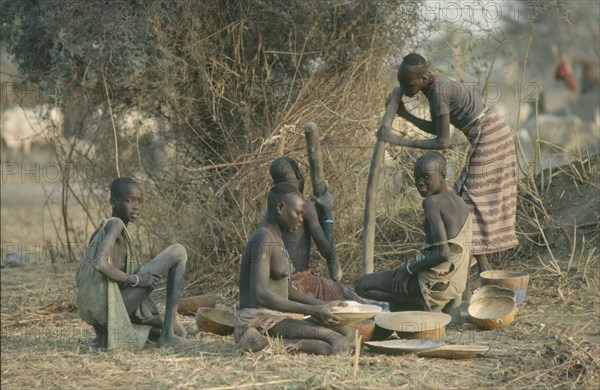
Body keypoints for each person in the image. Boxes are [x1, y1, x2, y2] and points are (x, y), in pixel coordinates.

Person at [378, 53, 518, 277]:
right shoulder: (433, 88)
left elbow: (443, 142)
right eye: (401, 83)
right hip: (484, 133)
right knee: (462, 196)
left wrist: (398, 140)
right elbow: (437, 128)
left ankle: (482, 268)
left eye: (408, 84)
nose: (403, 88)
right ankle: (480, 267)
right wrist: (405, 114)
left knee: (468, 198)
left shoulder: (439, 92)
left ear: (423, 78)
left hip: (491, 135)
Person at [235, 182, 351, 355]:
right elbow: (259, 294)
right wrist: (311, 310)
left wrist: (324, 305)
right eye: (298, 212)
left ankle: (262, 341)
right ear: (281, 207)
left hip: (274, 317)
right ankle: (261, 342)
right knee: (338, 344)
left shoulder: (278, 239)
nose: (301, 219)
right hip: (257, 318)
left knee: (346, 331)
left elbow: (284, 288)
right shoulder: (263, 239)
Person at [76, 177, 190, 350]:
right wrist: (135, 279)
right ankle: (167, 337)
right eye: (129, 201)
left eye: (140, 201)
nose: (136, 206)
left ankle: (113, 335)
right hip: (112, 310)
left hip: (108, 315)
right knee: (178, 250)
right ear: (113, 202)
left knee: (180, 330)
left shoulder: (105, 229)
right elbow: (99, 264)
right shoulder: (115, 224)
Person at [354, 152, 472, 315]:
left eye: (426, 177)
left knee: (361, 285)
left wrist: (408, 270)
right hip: (453, 285)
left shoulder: (432, 203)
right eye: (416, 178)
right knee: (396, 308)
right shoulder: (461, 203)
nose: (420, 183)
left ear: (443, 175)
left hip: (432, 285)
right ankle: (427, 305)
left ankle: (423, 304)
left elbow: (442, 253)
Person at [269, 157, 363, 302]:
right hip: (297, 282)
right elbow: (326, 250)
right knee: (345, 293)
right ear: (299, 175)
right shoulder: (304, 206)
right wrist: (327, 213)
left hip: (272, 283)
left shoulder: (272, 208)